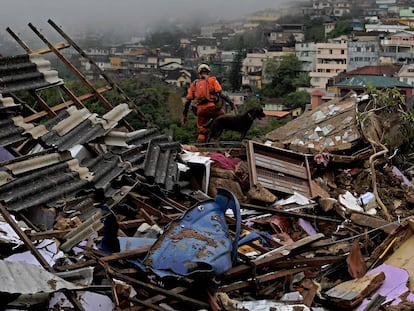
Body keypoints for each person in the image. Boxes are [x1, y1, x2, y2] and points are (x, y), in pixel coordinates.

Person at [182, 63, 235, 143]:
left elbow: (188, 101)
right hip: (212, 108)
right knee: (222, 118)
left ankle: (201, 144)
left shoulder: (194, 84)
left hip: (201, 110)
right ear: (208, 72)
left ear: (199, 73)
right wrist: (231, 103)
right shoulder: (212, 80)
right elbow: (222, 94)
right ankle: (214, 138)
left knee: (202, 129)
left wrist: (185, 115)